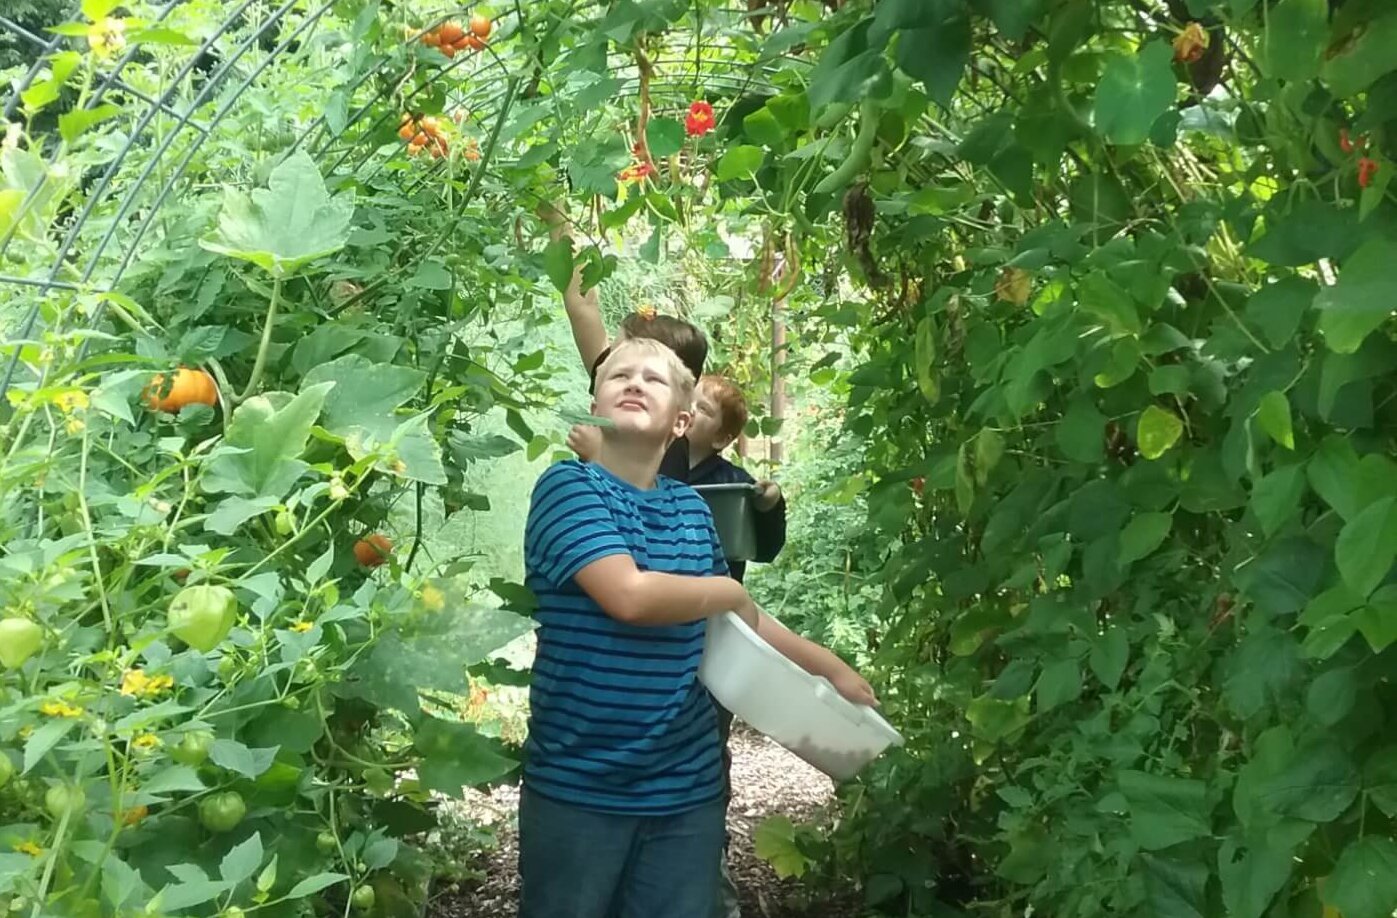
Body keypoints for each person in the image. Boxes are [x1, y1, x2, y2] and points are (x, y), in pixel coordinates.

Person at [519, 337, 877, 918]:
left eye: (653, 380)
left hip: (686, 786)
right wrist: (729, 588)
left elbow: (742, 621)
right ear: (594, 400)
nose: (634, 384)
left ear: (682, 421)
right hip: (579, 784)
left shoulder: (690, 509)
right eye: (618, 376)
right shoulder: (568, 489)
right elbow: (630, 596)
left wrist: (830, 669)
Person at [687, 374, 785, 918]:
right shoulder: (648, 462)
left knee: (708, 730)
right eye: (690, 402)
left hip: (717, 626)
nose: (690, 412)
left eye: (704, 410)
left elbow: (765, 546)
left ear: (722, 437)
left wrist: (771, 505)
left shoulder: (731, 480)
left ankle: (709, 847)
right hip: (661, 623)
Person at [538, 199, 706, 481]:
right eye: (614, 356)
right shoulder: (615, 377)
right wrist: (557, 219)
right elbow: (584, 306)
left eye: (651, 378)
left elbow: (648, 511)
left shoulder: (667, 445)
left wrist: (598, 456)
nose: (605, 360)